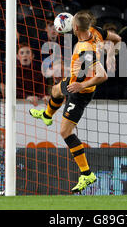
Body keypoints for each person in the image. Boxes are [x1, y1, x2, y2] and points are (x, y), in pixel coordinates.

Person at [29, 11, 110, 193]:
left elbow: (102, 75)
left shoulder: (85, 50)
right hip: (74, 80)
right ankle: (47, 115)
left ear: (74, 27)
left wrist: (81, 86)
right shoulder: (96, 32)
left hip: (79, 92)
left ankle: (86, 173)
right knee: (56, 90)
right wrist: (113, 51)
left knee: (65, 132)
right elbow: (114, 36)